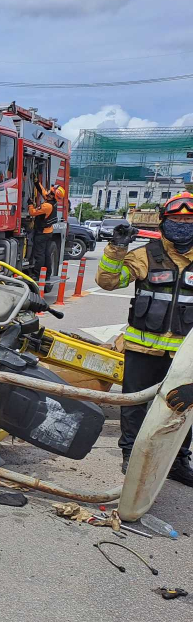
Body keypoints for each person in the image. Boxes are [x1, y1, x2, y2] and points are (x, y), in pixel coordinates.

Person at [96, 190, 193, 485]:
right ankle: (131, 454)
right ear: (164, 221)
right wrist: (116, 248)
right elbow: (108, 282)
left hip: (185, 355)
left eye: (189, 220)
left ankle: (177, 461)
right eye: (176, 218)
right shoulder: (145, 256)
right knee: (133, 403)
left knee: (184, 407)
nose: (182, 224)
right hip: (143, 347)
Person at [28, 175, 62, 281]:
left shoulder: (47, 206)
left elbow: (32, 212)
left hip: (42, 233)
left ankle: (37, 275)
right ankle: (47, 274)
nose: (48, 193)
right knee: (47, 254)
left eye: (51, 192)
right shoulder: (52, 203)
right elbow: (43, 191)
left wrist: (30, 204)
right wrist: (37, 183)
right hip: (48, 232)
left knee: (40, 255)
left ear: (53, 196)